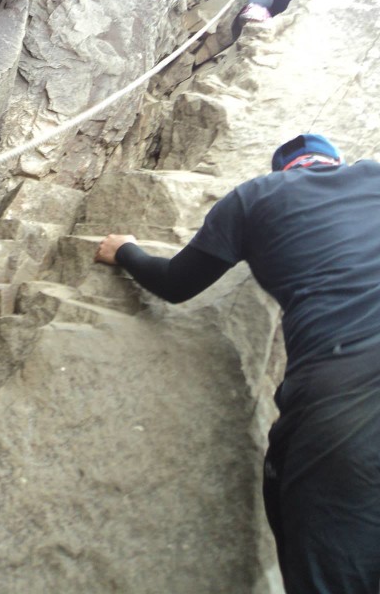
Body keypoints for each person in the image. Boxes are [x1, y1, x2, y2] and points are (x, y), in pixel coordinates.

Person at [95, 134, 380, 594]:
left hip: (343, 388)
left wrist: (125, 249)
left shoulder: (256, 195)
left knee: (326, 561)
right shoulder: (374, 176)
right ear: (336, 163)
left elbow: (176, 284)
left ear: (282, 170)